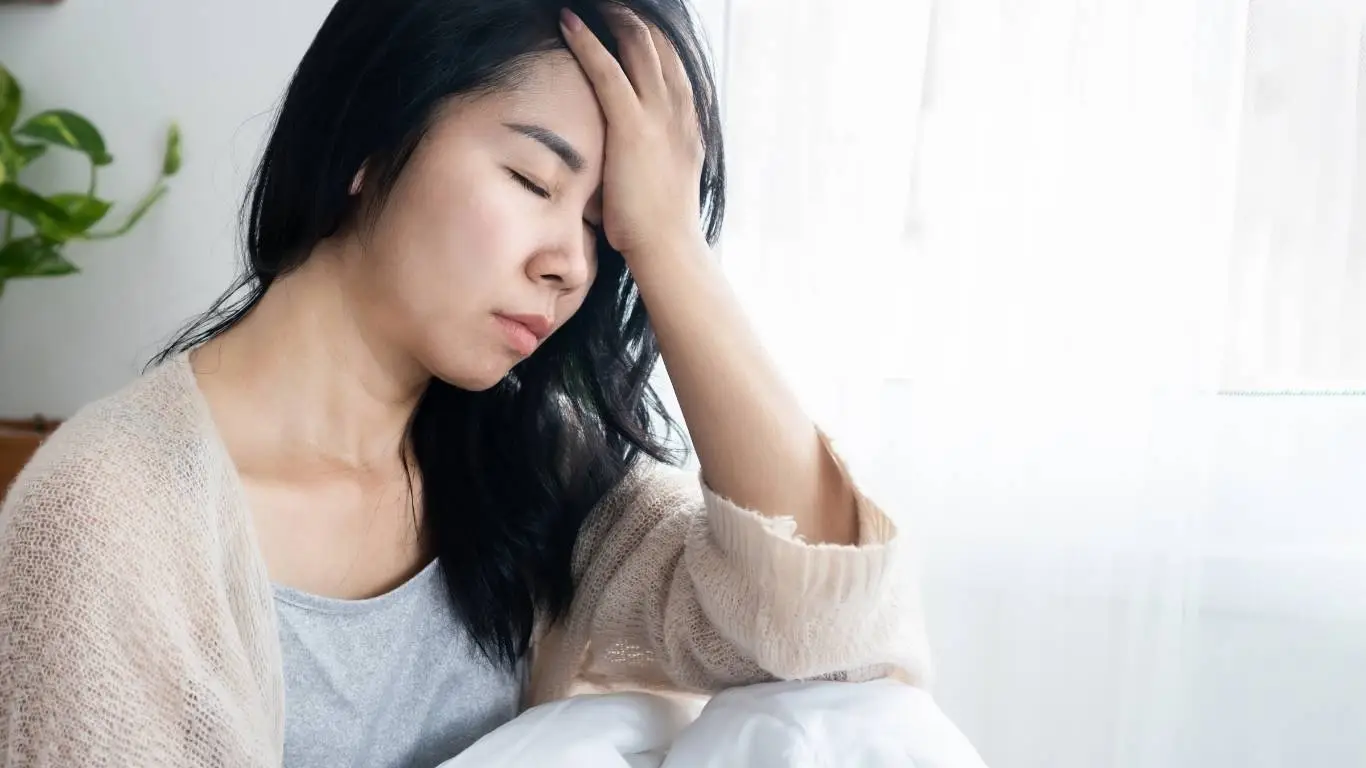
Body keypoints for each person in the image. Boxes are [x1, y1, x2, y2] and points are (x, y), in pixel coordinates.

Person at [0, 1, 931, 765]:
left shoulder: (535, 465)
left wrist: (672, 249)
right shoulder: (107, 517)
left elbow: (832, 641)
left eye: (607, 230)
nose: (572, 264)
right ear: (370, 139)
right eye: (532, 179)